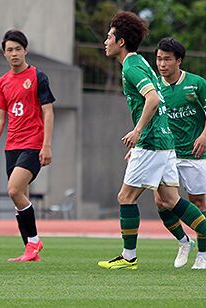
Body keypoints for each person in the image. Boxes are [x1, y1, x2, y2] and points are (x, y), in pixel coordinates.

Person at [98, 11, 206, 270]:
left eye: (110, 36)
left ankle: (129, 257)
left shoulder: (132, 66)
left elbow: (153, 99)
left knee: (125, 197)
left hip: (152, 142)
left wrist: (137, 132)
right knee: (169, 200)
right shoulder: (141, 63)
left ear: (121, 41)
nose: (106, 41)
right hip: (164, 141)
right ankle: (183, 243)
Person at [0, 30, 55, 262]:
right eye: (9, 50)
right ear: (4, 54)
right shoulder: (3, 82)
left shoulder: (37, 77)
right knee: (21, 196)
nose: (14, 54)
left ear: (25, 50)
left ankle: (34, 242)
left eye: (18, 49)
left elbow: (48, 112)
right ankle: (29, 250)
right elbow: (0, 118)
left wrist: (47, 145)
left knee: (13, 191)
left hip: (33, 144)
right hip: (11, 146)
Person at [154, 37, 206, 269]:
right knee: (162, 201)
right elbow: (150, 117)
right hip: (167, 153)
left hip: (195, 153)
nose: (162, 64)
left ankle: (203, 254)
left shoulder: (196, 84)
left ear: (179, 61)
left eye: (167, 59)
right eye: (158, 59)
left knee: (198, 202)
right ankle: (183, 241)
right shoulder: (154, 87)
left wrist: (204, 135)